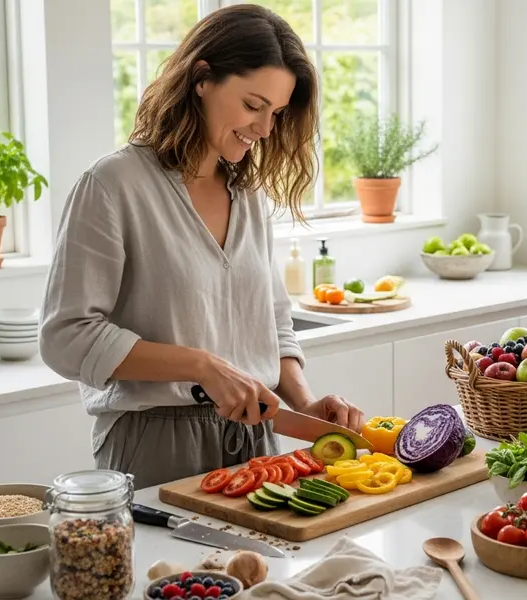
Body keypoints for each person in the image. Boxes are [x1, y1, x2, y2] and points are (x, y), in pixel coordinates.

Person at [39, 4, 364, 490]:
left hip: (256, 441)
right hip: (152, 443)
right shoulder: (113, 185)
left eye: (275, 113)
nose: (265, 129)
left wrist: (304, 402)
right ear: (202, 79)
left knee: (260, 569)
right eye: (253, 106)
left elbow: (271, 321)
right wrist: (201, 365)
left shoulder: (248, 194)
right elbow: (66, 337)